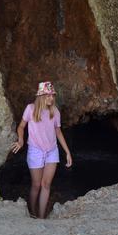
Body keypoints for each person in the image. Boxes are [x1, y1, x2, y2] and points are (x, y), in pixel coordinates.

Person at [11, 81, 73, 219]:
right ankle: (31, 213)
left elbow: (58, 132)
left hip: (52, 151)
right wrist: (21, 140)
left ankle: (41, 217)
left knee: (46, 184)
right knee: (36, 185)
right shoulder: (31, 109)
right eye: (48, 95)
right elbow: (21, 126)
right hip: (35, 151)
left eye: (52, 95)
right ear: (41, 96)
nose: (51, 98)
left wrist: (67, 152)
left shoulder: (55, 112)